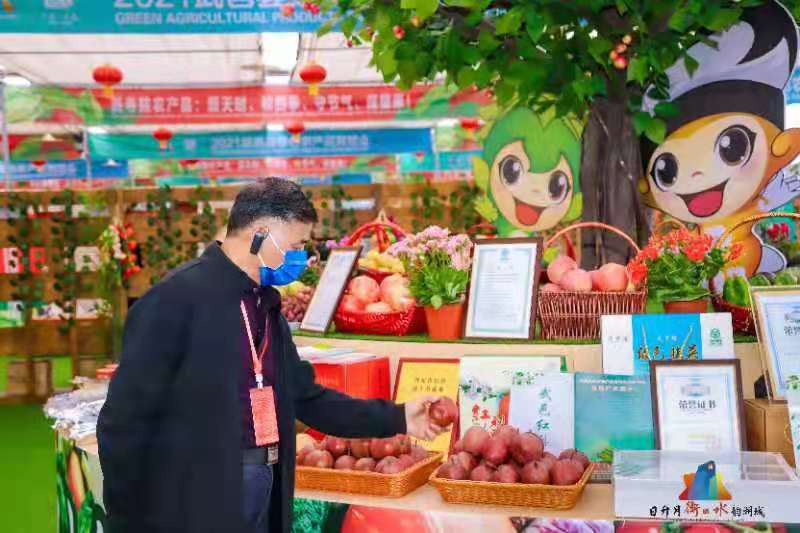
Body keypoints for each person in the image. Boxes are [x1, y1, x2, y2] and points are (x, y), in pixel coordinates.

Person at [97, 177, 444, 533]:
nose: (301, 258)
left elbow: (307, 398)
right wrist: (128, 520)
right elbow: (123, 425)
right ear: (261, 233)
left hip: (265, 487)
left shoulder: (265, 305)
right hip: (196, 502)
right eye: (296, 245)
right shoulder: (173, 301)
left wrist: (398, 417)